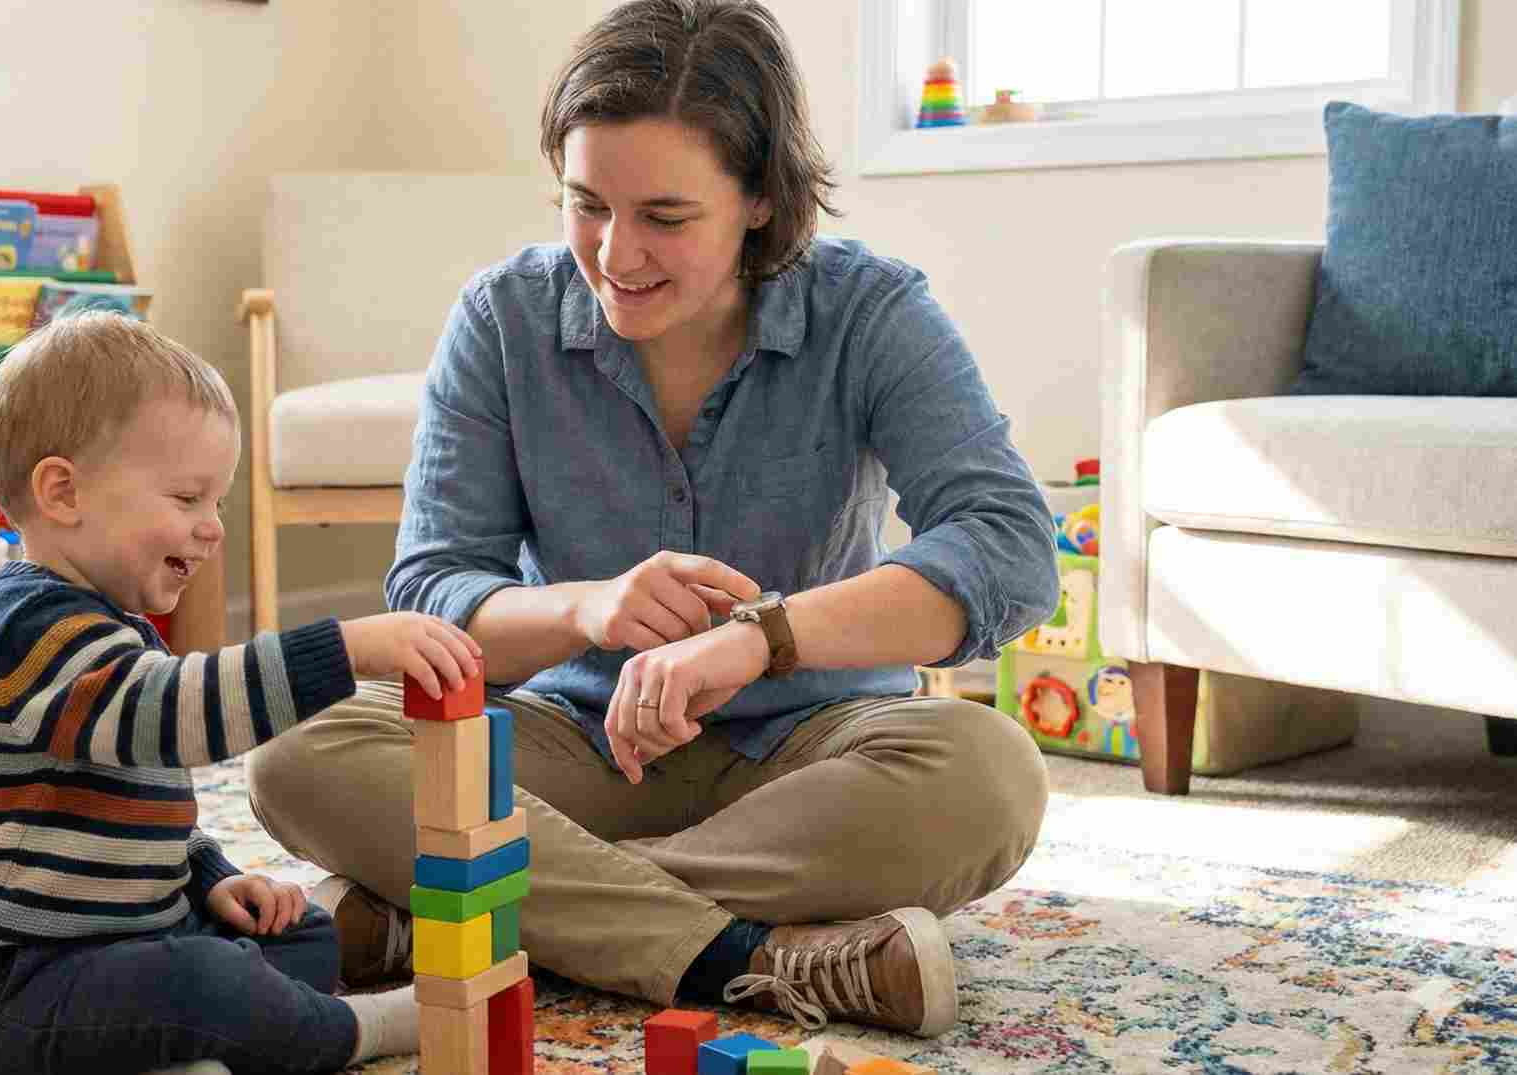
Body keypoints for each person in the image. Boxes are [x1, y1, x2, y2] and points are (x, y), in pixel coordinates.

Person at [248, 0, 1060, 1041]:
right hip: (569, 744)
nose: (615, 252)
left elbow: (1007, 544)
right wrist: (585, 609)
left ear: (761, 199)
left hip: (812, 753)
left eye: (664, 217)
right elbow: (433, 586)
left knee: (988, 773)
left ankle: (462, 913)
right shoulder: (502, 318)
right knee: (300, 743)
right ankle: (747, 956)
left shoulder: (872, 312)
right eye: (586, 204)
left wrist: (760, 637)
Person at [0, 313, 483, 1075]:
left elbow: (138, 814)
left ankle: (195, 1042)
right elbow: (171, 717)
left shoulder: (114, 628)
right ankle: (355, 1029)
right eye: (186, 498)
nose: (211, 528)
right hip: (11, 989)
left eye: (216, 503)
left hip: (121, 948)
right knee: (202, 982)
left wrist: (213, 879)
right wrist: (343, 649)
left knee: (299, 933)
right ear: (63, 492)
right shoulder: (28, 628)